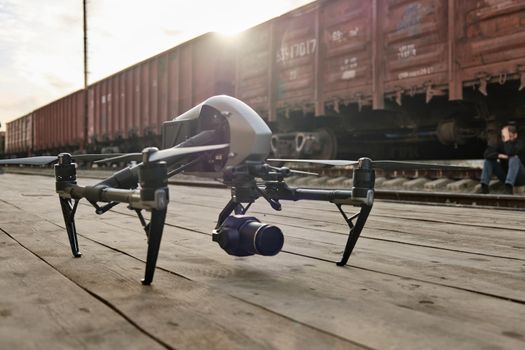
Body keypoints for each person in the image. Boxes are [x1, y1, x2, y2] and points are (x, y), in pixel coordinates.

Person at [480, 125, 525, 194]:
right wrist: (500, 155)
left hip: (521, 177)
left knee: (514, 158)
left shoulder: (520, 143)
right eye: (503, 136)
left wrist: (507, 140)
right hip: (505, 176)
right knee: (488, 161)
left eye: (508, 136)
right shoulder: (501, 143)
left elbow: (511, 152)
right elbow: (486, 154)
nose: (504, 139)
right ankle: (484, 186)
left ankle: (508, 188)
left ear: (515, 135)